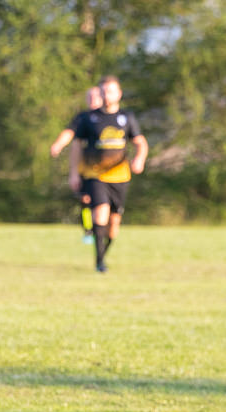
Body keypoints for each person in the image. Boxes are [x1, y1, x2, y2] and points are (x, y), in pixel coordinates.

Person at [73, 75, 148, 272]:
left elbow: (140, 142)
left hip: (120, 176)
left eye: (111, 91)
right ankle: (99, 263)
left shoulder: (127, 117)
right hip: (96, 175)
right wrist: (74, 172)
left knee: (114, 224)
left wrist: (139, 158)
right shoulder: (89, 118)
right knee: (100, 212)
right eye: (104, 92)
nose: (107, 95)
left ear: (119, 94)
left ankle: (102, 254)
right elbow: (76, 146)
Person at [50, 86, 103, 243]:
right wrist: (58, 145)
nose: (92, 100)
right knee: (86, 199)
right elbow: (69, 133)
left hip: (106, 168)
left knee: (103, 203)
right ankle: (89, 231)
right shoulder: (82, 118)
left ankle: (101, 229)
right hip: (85, 166)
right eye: (89, 97)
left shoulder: (110, 117)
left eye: (95, 97)